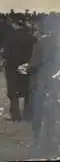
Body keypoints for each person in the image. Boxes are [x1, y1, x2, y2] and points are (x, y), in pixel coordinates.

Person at [27, 18, 60, 156]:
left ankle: (39, 142)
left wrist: (27, 68)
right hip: (55, 80)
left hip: (42, 81)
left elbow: (34, 63)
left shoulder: (42, 43)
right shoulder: (56, 41)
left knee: (39, 113)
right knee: (53, 113)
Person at [2, 20, 36, 121]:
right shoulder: (32, 38)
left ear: (15, 25)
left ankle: (15, 116)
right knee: (28, 92)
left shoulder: (10, 37)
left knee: (13, 93)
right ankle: (28, 115)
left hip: (12, 68)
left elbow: (6, 55)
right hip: (27, 67)